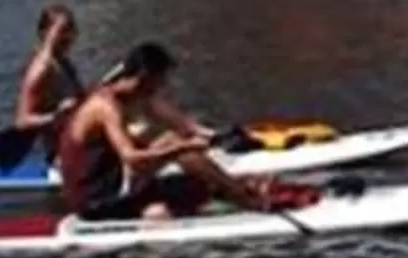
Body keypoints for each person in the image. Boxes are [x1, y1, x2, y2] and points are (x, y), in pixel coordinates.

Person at [52, 41, 311, 223]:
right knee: (171, 146)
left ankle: (236, 190)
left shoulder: (134, 95)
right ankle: (245, 196)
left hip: (116, 185)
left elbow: (172, 121)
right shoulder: (105, 106)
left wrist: (206, 139)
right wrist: (183, 149)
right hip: (95, 200)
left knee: (193, 180)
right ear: (144, 76)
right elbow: (132, 159)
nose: (163, 86)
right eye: (161, 80)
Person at [11, 3, 86, 151]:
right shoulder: (41, 69)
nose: (68, 36)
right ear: (45, 32)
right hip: (59, 154)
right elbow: (22, 122)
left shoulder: (64, 63)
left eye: (71, 30)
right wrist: (55, 117)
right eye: (62, 31)